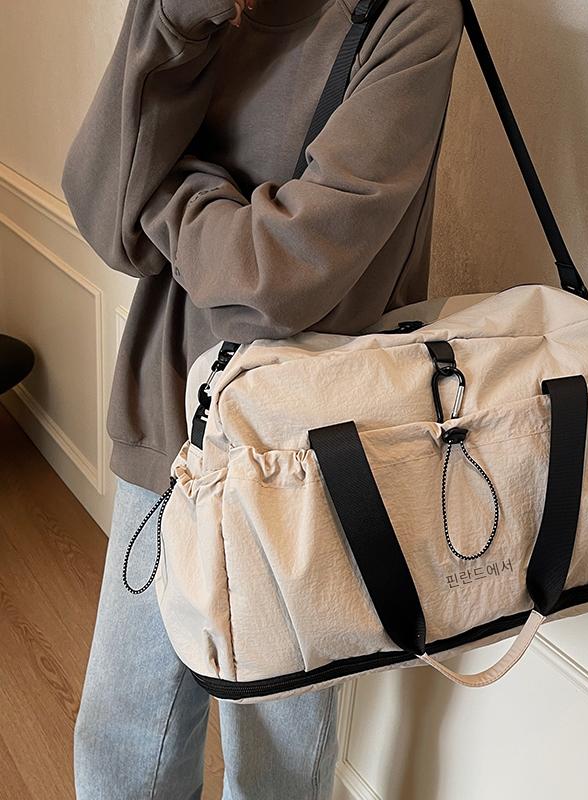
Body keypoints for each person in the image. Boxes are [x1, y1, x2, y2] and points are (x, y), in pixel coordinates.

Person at [60, 0, 464, 797]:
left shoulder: (409, 14)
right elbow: (104, 213)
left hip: (303, 462)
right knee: (123, 742)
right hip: (169, 420)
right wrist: (175, 22)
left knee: (278, 766)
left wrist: (171, 195)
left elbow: (277, 278)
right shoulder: (185, 12)